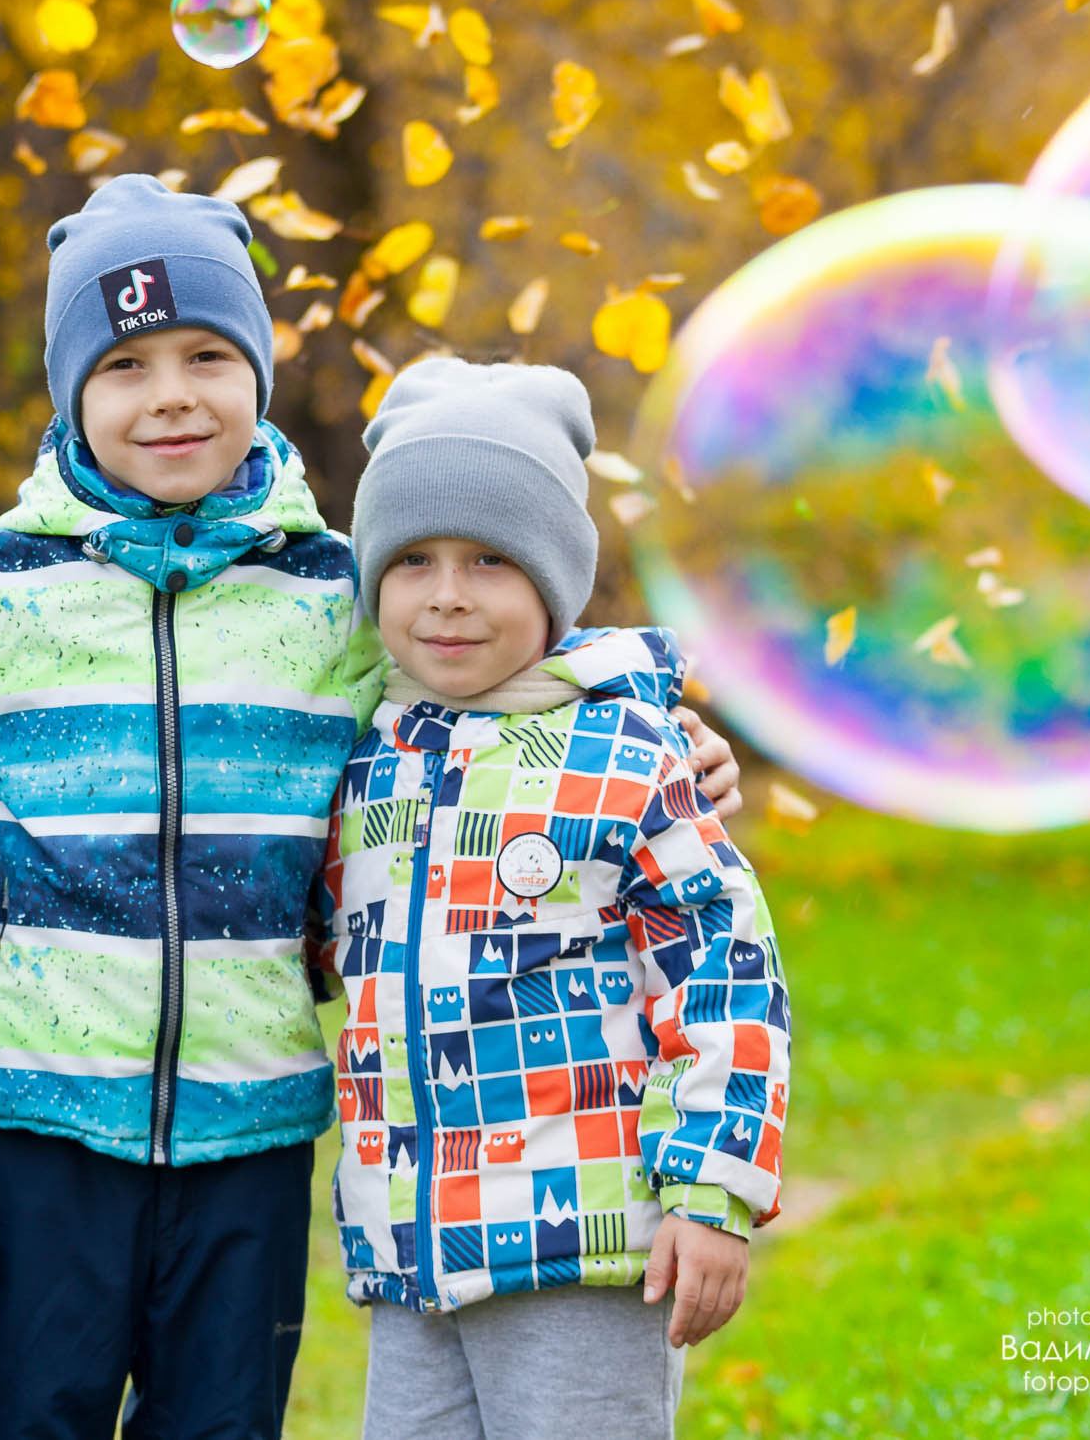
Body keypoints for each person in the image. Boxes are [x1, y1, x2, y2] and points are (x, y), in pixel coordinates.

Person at [0, 177, 745, 1439]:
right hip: (31, 1108)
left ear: (259, 374)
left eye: (205, 355)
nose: (169, 392)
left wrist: (653, 718)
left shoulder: (333, 594)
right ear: (70, 392)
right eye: (123, 364)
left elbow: (488, 673)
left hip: (252, 1115)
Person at [323, 358, 792, 1440]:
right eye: (412, 560)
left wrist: (712, 1193)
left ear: (554, 579)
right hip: (411, 1248)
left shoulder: (625, 752)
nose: (446, 592)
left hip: (580, 1239)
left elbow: (725, 971)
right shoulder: (362, 760)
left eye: (490, 559)